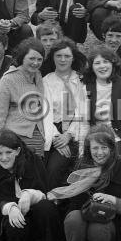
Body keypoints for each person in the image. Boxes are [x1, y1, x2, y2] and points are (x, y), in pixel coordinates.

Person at [51, 125, 121, 241]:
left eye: (104, 148)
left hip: (109, 222)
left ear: (112, 148)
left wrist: (111, 199)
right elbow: (73, 205)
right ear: (88, 149)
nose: (99, 153)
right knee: (73, 218)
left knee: (98, 228)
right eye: (95, 148)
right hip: (83, 219)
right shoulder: (81, 166)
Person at [0, 129, 63, 241]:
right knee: (13, 221)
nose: (4, 158)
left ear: (18, 151)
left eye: (9, 152)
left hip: (36, 220)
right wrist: (10, 207)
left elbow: (45, 192)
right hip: (13, 224)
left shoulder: (32, 161)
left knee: (47, 207)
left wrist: (29, 194)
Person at [42, 38, 89, 189]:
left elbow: (82, 112)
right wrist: (57, 138)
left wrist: (68, 135)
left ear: (73, 58)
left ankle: (53, 201)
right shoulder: (46, 81)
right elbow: (45, 113)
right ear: (53, 57)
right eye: (58, 56)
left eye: (67, 56)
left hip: (75, 130)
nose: (62, 60)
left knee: (54, 168)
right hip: (52, 130)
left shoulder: (81, 81)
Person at [0, 38, 47, 157]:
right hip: (15, 137)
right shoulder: (8, 79)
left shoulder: (38, 76)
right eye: (32, 58)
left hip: (38, 136)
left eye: (39, 59)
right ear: (22, 57)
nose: (36, 63)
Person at [82, 45, 121, 155]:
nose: (102, 66)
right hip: (97, 139)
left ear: (113, 64)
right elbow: (84, 122)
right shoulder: (86, 88)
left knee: (112, 159)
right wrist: (82, 149)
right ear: (91, 67)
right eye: (97, 63)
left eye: (106, 62)